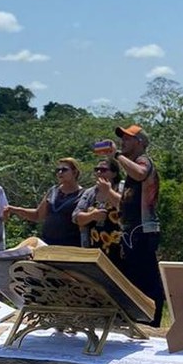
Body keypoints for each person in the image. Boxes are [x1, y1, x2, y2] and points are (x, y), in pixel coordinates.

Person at [101, 124, 163, 326]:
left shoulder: (143, 161)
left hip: (143, 230)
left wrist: (117, 155)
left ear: (140, 142)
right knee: (133, 277)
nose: (123, 141)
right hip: (130, 232)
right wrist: (107, 192)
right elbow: (125, 204)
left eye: (127, 138)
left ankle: (153, 320)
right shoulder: (130, 169)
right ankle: (139, 318)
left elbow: (141, 173)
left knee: (148, 277)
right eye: (122, 138)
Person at [4, 158, 83, 247]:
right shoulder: (53, 191)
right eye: (58, 170)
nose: (60, 173)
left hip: (71, 245)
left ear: (75, 172)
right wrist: (14, 209)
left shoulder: (83, 195)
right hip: (48, 243)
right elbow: (37, 215)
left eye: (64, 170)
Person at [73, 156, 123, 266]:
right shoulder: (90, 193)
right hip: (94, 247)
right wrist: (91, 216)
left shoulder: (122, 188)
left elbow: (126, 208)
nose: (99, 172)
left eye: (104, 170)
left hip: (121, 248)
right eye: (97, 170)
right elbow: (76, 218)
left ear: (114, 174)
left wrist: (108, 191)